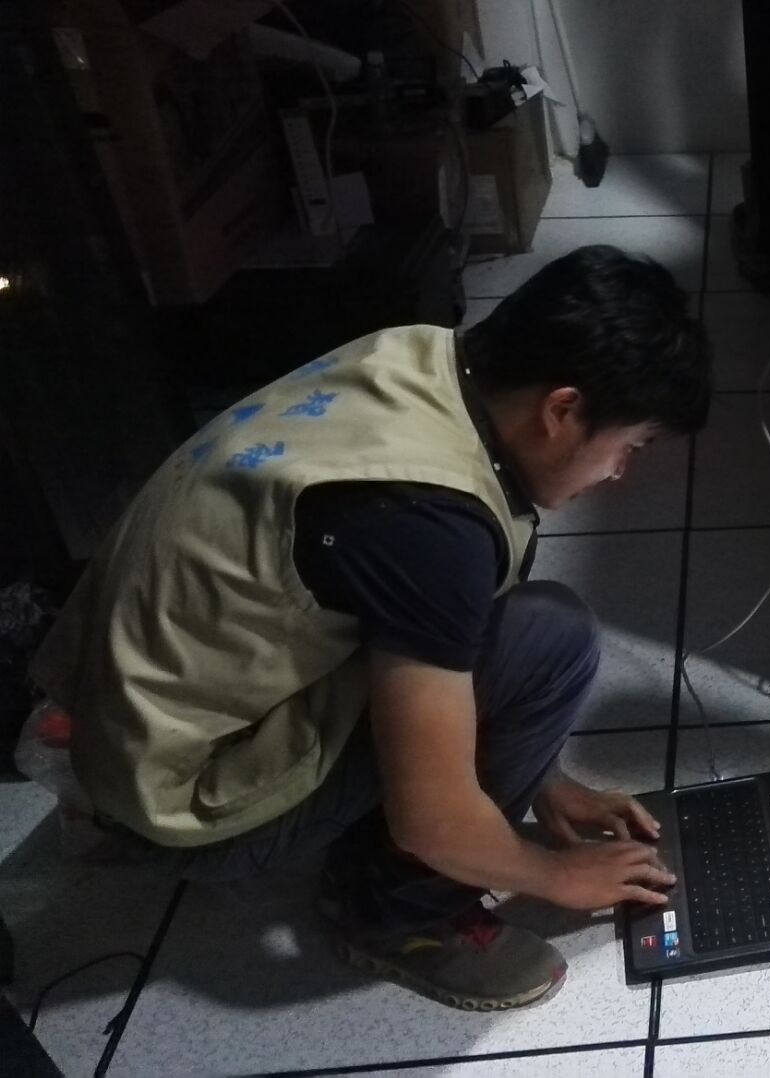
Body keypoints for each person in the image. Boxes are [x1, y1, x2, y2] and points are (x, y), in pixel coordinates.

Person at [29, 245, 711, 1011]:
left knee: (498, 630)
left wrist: (547, 781)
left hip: (119, 721)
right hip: (172, 794)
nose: (618, 474)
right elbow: (432, 821)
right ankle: (397, 919)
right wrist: (556, 875)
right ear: (561, 410)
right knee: (548, 641)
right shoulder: (430, 527)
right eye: (628, 448)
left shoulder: (422, 358)